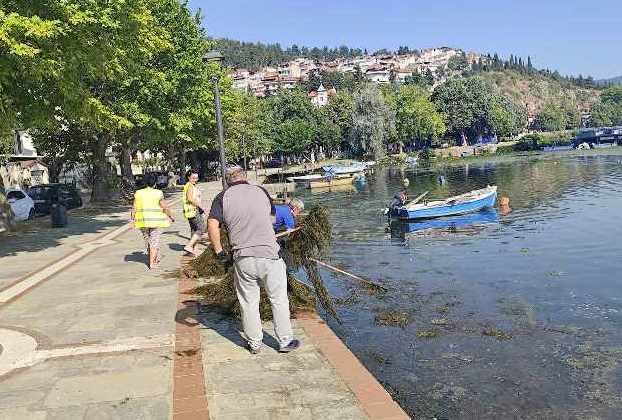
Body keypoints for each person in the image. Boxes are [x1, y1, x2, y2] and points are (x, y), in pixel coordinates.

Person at [207, 165, 300, 354]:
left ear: (227, 180)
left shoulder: (221, 197)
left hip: (243, 258)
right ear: (245, 177)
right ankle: (285, 341)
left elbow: (212, 223)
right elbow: (273, 219)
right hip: (270, 255)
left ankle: (255, 343)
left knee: (248, 301)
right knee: (279, 299)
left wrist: (219, 251)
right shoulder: (261, 191)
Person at [131, 173, 174, 269]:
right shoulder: (158, 193)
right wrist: (170, 216)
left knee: (148, 241)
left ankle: (153, 258)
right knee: (154, 241)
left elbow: (134, 207)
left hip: (143, 221)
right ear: (154, 183)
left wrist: (132, 219)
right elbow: (165, 207)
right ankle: (152, 263)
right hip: (156, 221)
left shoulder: (138, 193)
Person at [182, 169, 206, 256]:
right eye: (193, 178)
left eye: (196, 178)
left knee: (194, 229)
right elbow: (190, 198)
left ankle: (193, 249)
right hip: (193, 210)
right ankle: (189, 246)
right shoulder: (190, 186)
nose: (195, 180)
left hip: (190, 211)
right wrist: (201, 207)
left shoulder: (190, 185)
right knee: (201, 228)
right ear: (188, 177)